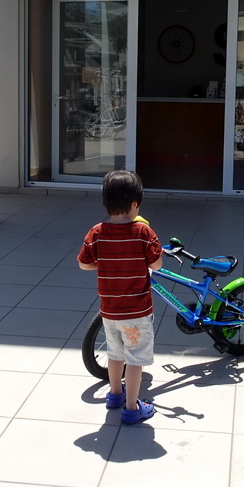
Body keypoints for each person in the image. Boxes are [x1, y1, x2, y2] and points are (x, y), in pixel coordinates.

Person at [78, 170, 162, 424]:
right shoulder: (143, 233)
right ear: (135, 203)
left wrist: (104, 264)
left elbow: (83, 264)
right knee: (135, 359)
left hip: (110, 311)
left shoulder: (96, 232)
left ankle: (114, 394)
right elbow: (156, 265)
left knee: (116, 353)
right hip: (136, 313)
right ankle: (132, 408)